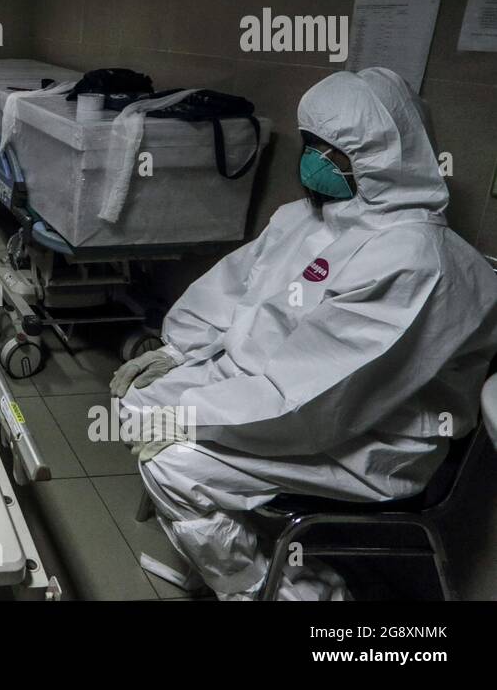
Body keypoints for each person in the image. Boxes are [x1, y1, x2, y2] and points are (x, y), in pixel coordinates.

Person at [112, 67, 497, 600]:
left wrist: (191, 415)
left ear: (382, 159)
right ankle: (241, 556)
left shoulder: (417, 262)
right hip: (278, 394)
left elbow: (317, 395)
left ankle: (286, 594)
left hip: (366, 435)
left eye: (328, 149)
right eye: (311, 143)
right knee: (134, 403)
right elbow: (232, 291)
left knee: (175, 462)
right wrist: (179, 349)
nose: (311, 159)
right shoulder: (305, 219)